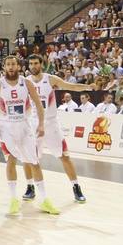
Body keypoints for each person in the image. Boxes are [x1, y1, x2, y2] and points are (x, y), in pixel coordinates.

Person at [0, 54, 49, 217]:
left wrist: (41, 124)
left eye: (13, 64)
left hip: (24, 125)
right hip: (5, 127)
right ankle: (13, 199)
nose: (11, 67)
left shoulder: (26, 82)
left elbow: (38, 105)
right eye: (8, 64)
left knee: (34, 161)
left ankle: (44, 199)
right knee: (11, 160)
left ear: (18, 66)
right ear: (4, 67)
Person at [24, 54, 91, 204]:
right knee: (29, 158)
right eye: (31, 63)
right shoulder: (25, 82)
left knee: (65, 156)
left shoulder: (50, 79)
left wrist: (88, 87)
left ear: (41, 64)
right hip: (33, 122)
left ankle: (76, 187)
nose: (33, 66)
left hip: (51, 123)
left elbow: (70, 86)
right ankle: (30, 187)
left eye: (36, 63)